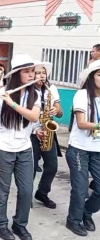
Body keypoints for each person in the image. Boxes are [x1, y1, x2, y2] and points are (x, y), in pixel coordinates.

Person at [0, 54, 41, 240]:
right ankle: (0, 225)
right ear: (17, 75)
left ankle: (20, 224)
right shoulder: (2, 92)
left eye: (33, 71)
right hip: (3, 148)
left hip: (24, 148)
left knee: (26, 190)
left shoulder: (35, 94)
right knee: (2, 189)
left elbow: (33, 117)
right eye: (27, 72)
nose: (32, 75)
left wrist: (12, 103)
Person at [65, 59, 100, 237]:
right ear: (91, 77)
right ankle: (74, 220)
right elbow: (81, 123)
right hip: (79, 148)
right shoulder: (82, 95)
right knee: (80, 189)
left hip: (98, 150)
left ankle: (86, 212)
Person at [31, 62, 63, 209]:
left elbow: (60, 111)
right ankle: (26, 195)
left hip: (48, 131)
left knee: (51, 166)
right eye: (38, 72)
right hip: (32, 132)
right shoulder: (28, 90)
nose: (42, 75)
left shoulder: (52, 88)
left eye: (43, 72)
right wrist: (35, 130)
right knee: (30, 168)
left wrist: (56, 110)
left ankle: (42, 192)